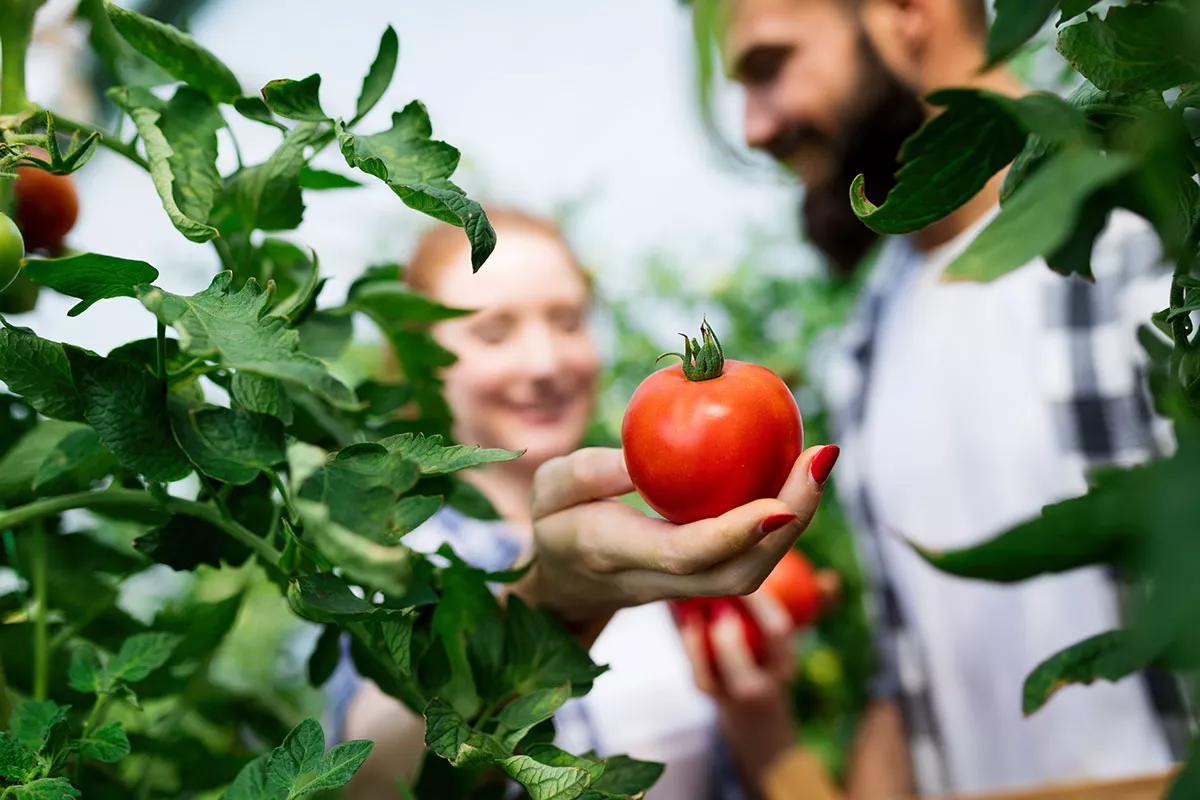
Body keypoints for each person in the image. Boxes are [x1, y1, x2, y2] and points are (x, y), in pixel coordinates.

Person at [689, 0, 1188, 797]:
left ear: (906, 12)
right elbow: (914, 678)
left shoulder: (1152, 246)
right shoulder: (865, 338)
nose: (753, 127)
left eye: (771, 65)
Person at [325, 207, 840, 799]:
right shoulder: (397, 556)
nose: (545, 363)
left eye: (568, 321)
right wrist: (547, 605)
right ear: (422, 364)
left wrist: (755, 715)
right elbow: (368, 775)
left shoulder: (666, 533)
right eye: (493, 331)